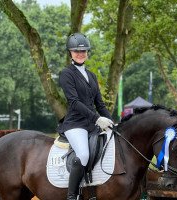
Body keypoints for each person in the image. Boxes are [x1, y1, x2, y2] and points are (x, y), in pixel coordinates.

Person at [57, 33, 114, 200]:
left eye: (83, 51)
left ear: (87, 53)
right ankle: (72, 195)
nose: (80, 54)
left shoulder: (92, 75)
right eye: (76, 51)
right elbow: (74, 102)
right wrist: (97, 118)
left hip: (92, 124)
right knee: (83, 154)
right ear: (70, 53)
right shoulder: (66, 73)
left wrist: (111, 122)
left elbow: (100, 104)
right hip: (76, 124)